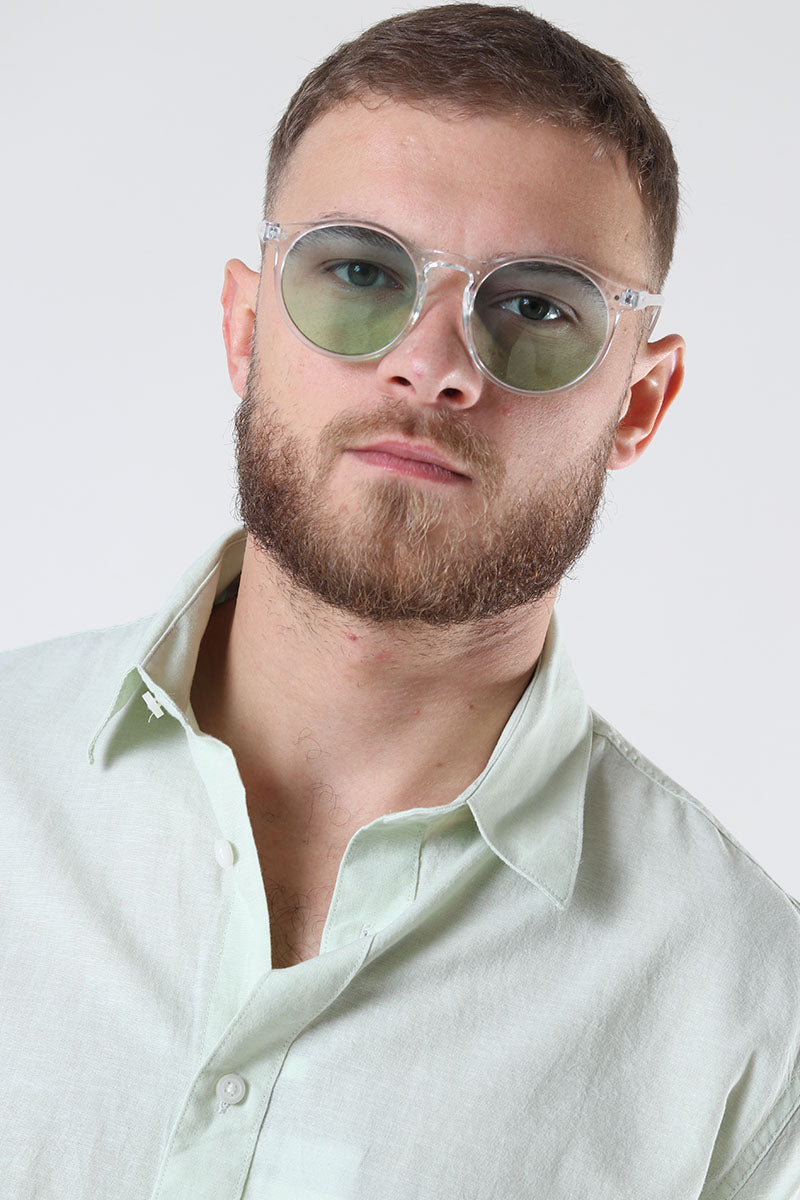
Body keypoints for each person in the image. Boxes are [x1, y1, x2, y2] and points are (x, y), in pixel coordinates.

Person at [2, 4, 799, 1197]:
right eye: (360, 273)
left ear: (639, 402)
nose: (430, 363)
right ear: (243, 328)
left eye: (535, 308)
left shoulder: (747, 1018)